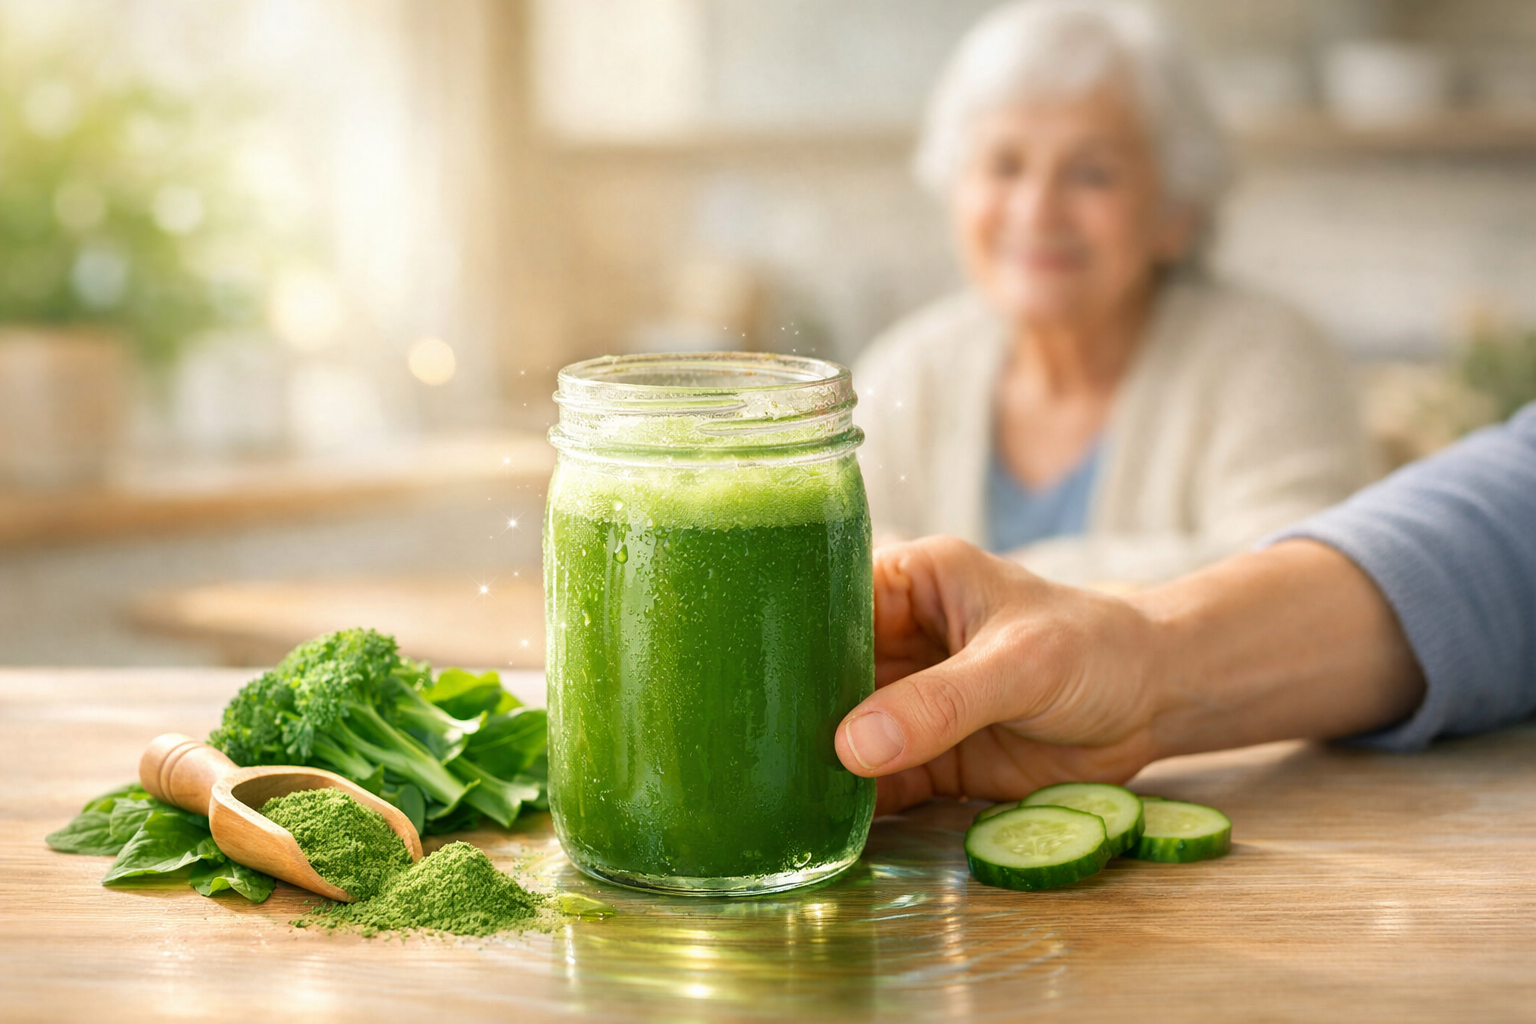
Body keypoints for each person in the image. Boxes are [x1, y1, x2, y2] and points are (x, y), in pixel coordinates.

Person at [855, 0, 1369, 586]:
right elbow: (831, 572)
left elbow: (1301, 587)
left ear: (1177, 210)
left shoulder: (1269, 362)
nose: (1036, 210)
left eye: (1091, 173)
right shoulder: (908, 370)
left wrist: (963, 585)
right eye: (1003, 165)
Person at [835, 402, 1536, 815]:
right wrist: (1150, 664)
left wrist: (1122, 632)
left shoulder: (1252, 359)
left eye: (1094, 174)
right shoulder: (921, 361)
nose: (1037, 207)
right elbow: (1512, 511)